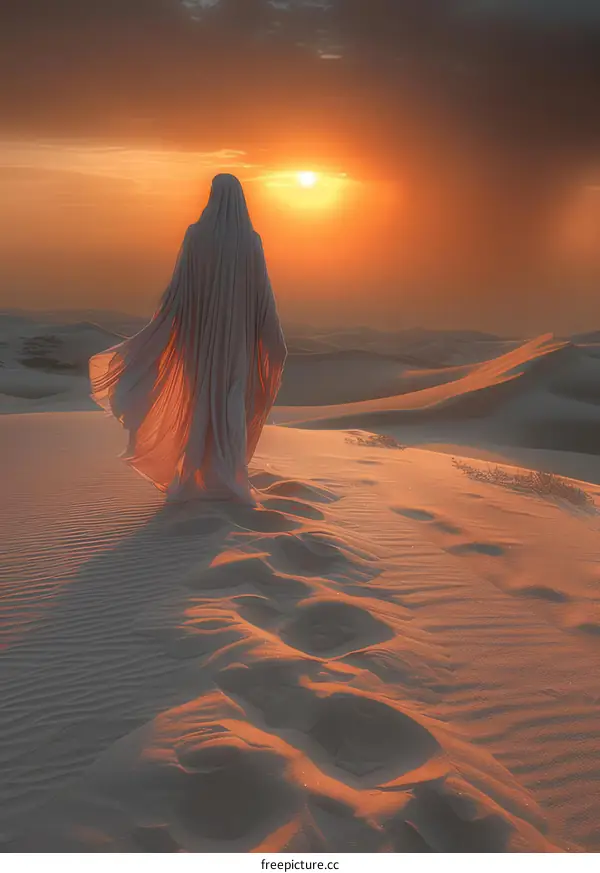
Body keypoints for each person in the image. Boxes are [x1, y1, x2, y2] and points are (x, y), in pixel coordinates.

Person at [89, 173, 287, 504]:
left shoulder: (195, 237)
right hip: (237, 344)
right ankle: (229, 478)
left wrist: (163, 327)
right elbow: (263, 299)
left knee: (200, 403)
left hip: (196, 343)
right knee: (231, 403)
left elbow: (177, 293)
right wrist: (273, 340)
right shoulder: (251, 241)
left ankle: (196, 476)